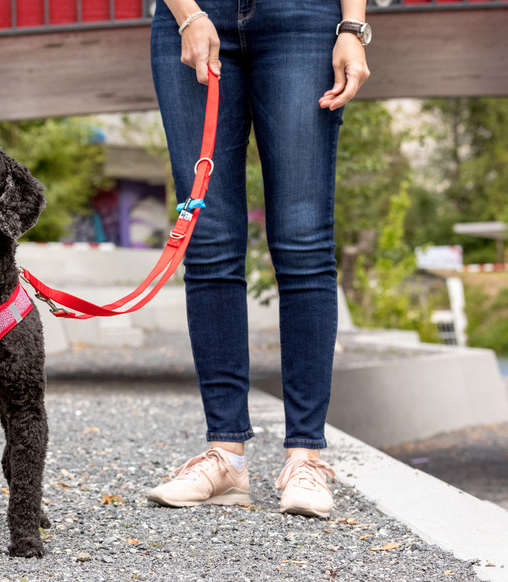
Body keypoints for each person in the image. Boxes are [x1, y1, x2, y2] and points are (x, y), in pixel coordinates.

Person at [147, 0, 370, 517]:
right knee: (210, 240)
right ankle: (225, 455)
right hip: (194, 11)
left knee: (303, 239)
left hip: (303, 16)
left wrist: (352, 26)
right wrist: (187, 15)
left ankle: (306, 458)